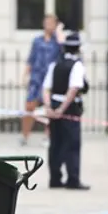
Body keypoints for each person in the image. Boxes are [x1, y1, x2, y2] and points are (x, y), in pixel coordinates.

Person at [42, 33, 90, 190]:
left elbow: (46, 88)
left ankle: (55, 179)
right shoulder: (77, 65)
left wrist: (49, 107)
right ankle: (73, 180)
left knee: (55, 143)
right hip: (69, 108)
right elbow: (74, 89)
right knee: (72, 144)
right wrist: (62, 109)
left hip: (55, 104)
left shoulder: (54, 64)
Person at [22, 14, 65, 146]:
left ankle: (48, 136)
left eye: (51, 22)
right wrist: (25, 75)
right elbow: (31, 58)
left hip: (50, 78)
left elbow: (64, 53)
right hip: (36, 77)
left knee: (49, 107)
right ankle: (25, 136)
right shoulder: (37, 40)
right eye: (47, 22)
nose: (48, 25)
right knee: (29, 106)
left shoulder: (57, 41)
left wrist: (59, 33)